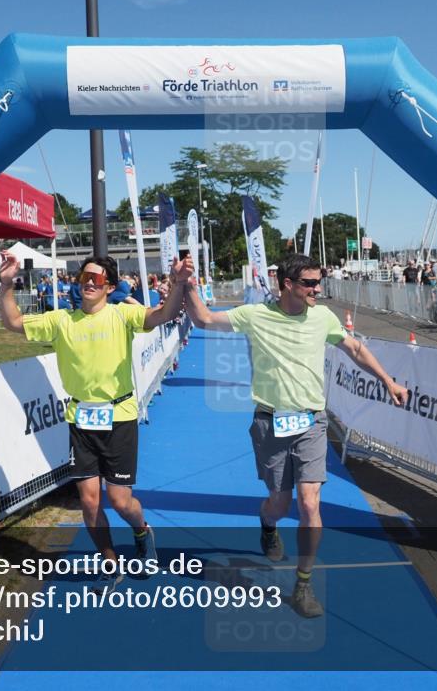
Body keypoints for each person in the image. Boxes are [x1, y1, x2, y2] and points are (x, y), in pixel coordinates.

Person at [182, 253, 410, 618]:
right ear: (287, 284)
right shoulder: (255, 315)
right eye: (309, 283)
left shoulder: (322, 317)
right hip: (270, 422)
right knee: (279, 502)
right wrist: (187, 284)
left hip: (311, 422)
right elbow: (204, 318)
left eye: (318, 282)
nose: (317, 289)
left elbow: (353, 346)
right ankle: (268, 524)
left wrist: (387, 380)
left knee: (309, 503)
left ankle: (303, 584)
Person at [0, 251, 192, 592]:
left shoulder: (122, 315)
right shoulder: (61, 320)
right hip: (81, 420)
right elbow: (12, 323)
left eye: (96, 279)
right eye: (83, 277)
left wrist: (177, 283)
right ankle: (109, 561)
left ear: (110, 287)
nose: (88, 283)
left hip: (119, 418)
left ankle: (142, 530)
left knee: (119, 501)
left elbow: (165, 314)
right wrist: (5, 285)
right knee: (89, 500)